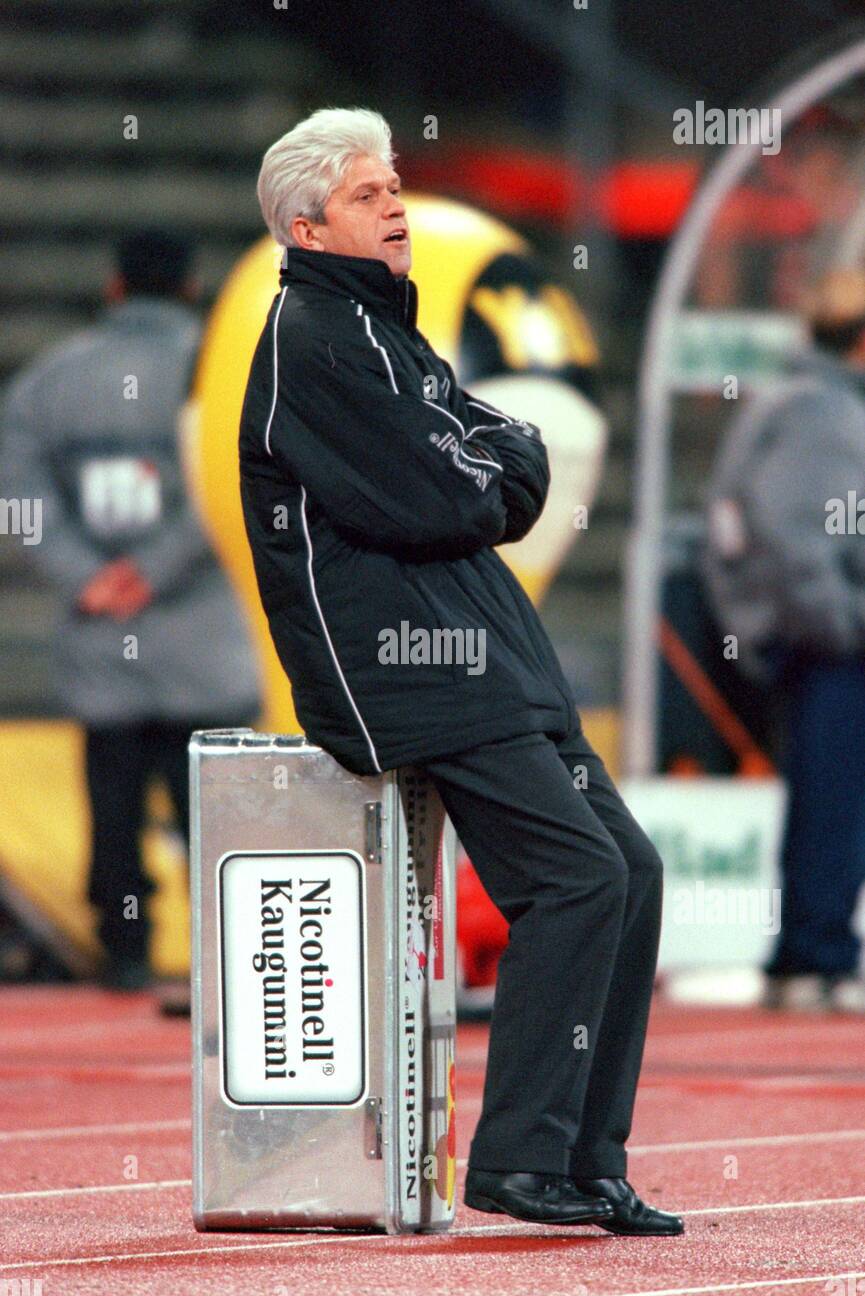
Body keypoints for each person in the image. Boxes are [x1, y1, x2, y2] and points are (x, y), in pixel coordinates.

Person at [239, 108, 681, 1235]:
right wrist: (491, 462)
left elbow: (500, 468)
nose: (394, 205)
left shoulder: (386, 334)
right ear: (306, 224)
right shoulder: (317, 337)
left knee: (626, 869)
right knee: (577, 877)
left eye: (395, 185)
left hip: (485, 655)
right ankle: (517, 1159)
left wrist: (491, 462)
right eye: (366, 193)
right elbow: (455, 491)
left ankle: (583, 1156)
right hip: (410, 669)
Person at [1, 229, 261, 993]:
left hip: (102, 640)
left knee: (112, 809)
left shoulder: (49, 382)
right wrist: (158, 568)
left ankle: (125, 949)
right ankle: (235, 962)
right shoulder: (217, 371)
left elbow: (15, 494)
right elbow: (237, 478)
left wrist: (84, 575)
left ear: (115, 288)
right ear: (191, 286)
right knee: (214, 817)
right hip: (202, 641)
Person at [704, 267, 865, 1013]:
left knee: (831, 798)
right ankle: (814, 954)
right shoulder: (821, 411)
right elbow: (795, 535)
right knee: (833, 801)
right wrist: (839, 624)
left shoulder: (812, 402)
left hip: (818, 637)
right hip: (829, 645)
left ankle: (816, 951)